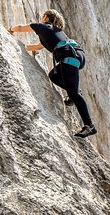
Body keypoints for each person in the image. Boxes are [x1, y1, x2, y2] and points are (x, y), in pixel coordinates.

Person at [9, 9, 97, 138]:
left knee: (74, 93)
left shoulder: (43, 27)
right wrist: (21, 47)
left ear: (45, 17)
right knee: (53, 76)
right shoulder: (55, 33)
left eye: (42, 16)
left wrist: (10, 30)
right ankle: (74, 95)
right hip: (75, 56)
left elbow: (22, 28)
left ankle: (89, 126)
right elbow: (37, 47)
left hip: (69, 57)